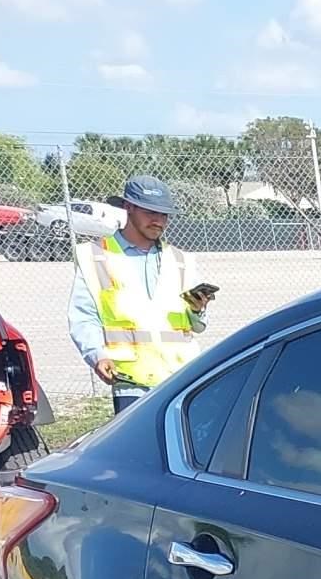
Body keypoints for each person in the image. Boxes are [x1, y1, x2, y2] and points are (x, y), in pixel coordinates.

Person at [66, 174, 215, 412]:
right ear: (128, 208)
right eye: (150, 213)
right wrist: (97, 355)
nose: (158, 221)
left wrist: (197, 310)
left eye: (163, 214)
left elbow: (198, 326)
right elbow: (84, 317)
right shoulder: (96, 257)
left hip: (181, 378)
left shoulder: (180, 260)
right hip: (130, 382)